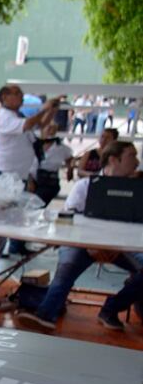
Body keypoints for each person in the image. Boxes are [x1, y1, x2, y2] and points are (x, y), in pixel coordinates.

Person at [16, 141, 143, 332]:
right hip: (81, 243)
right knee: (68, 268)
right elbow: (69, 221)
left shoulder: (137, 190)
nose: (136, 162)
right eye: (131, 156)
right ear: (113, 160)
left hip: (120, 248)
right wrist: (91, 245)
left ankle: (111, 308)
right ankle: (45, 315)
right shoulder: (85, 186)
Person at [0, 84, 60, 254]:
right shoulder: (4, 117)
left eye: (21, 94)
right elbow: (28, 124)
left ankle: (16, 246)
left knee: (17, 212)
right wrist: (44, 109)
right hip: (5, 173)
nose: (21, 97)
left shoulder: (17, 116)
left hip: (18, 173)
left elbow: (39, 126)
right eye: (16, 94)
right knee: (2, 215)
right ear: (4, 98)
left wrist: (51, 110)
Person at [31, 122, 73, 205]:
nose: (50, 130)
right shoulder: (33, 145)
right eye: (48, 127)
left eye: (53, 128)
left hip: (49, 182)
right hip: (32, 179)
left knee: (37, 203)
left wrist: (70, 171)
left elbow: (70, 159)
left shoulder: (61, 148)